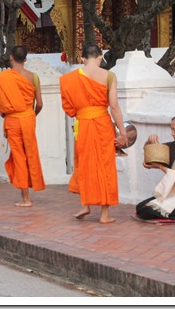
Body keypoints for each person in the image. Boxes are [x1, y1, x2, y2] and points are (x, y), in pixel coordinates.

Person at [59, 43, 128, 224]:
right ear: (100, 57)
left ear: (82, 58)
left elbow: (68, 107)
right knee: (105, 166)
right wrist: (122, 132)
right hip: (103, 124)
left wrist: (83, 112)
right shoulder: (109, 76)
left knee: (83, 164)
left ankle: (85, 205)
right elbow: (114, 106)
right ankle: (104, 214)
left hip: (82, 125)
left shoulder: (69, 79)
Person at [0, 46, 45, 207]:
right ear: (26, 59)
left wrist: (7, 113)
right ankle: (31, 188)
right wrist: (31, 114)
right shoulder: (34, 77)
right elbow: (40, 104)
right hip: (28, 118)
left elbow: (0, 103)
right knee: (30, 152)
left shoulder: (4, 77)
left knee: (19, 156)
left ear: (10, 58)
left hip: (13, 120)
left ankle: (26, 198)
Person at [136, 114, 175, 221]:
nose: (172, 134)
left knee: (149, 211)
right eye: (171, 130)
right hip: (172, 193)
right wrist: (148, 143)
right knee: (141, 207)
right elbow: (148, 162)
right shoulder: (172, 146)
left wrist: (161, 167)